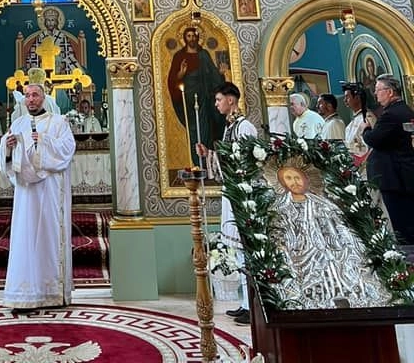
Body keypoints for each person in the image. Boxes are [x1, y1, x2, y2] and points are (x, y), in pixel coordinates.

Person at [0, 82, 76, 312]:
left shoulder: (58, 122)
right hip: (26, 194)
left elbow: (67, 149)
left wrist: (43, 141)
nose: (31, 99)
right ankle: (24, 294)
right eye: (28, 96)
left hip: (50, 192)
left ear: (44, 98)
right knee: (25, 237)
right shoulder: (18, 123)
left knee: (48, 237)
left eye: (35, 95)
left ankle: (52, 293)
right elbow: (5, 156)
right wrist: (7, 147)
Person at [272, 164, 390, 308]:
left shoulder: (323, 204)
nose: (294, 182)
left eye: (297, 177)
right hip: (301, 250)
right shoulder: (281, 207)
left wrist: (340, 240)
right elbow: (280, 230)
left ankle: (349, 295)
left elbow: (339, 224)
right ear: (282, 183)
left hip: (331, 244)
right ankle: (315, 298)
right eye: (289, 178)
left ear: (306, 179)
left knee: (343, 259)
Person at [196, 82, 257, 326]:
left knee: (246, 249)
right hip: (232, 192)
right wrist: (208, 154)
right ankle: (245, 304)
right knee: (239, 252)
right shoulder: (229, 127)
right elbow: (226, 160)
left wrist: (215, 155)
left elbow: (245, 160)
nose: (216, 104)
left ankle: (253, 306)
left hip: (243, 194)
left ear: (231, 100)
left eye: (219, 99)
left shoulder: (245, 127)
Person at [362, 74, 414, 244]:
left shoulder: (391, 115)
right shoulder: (405, 110)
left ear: (390, 92)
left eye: (378, 90)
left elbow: (374, 139)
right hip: (402, 175)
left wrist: (366, 130)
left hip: (394, 177)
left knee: (402, 225)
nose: (375, 94)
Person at [167, 26, 225, 164]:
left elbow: (213, 76)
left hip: (205, 99)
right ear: (184, 38)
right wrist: (181, 73)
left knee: (207, 129)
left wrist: (220, 74)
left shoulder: (204, 54)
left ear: (198, 37)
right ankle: (196, 163)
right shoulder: (179, 56)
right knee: (194, 129)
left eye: (194, 36)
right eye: (189, 36)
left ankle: (208, 163)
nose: (192, 39)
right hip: (189, 100)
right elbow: (172, 80)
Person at [342, 81, 377, 170]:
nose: (344, 100)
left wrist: (359, 162)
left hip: (366, 168)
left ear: (357, 98)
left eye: (347, 97)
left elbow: (374, 145)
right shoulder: (352, 122)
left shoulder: (368, 118)